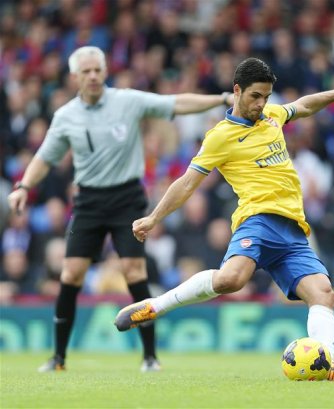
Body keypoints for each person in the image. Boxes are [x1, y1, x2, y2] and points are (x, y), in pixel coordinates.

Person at [114, 57, 334, 382]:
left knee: (324, 294)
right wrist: (153, 218)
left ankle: (323, 362)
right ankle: (155, 307)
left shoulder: (272, 115)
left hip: (293, 230)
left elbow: (303, 106)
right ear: (237, 90)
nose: (262, 104)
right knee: (230, 280)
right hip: (258, 220)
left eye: (266, 97)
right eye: (255, 97)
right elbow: (187, 182)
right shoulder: (220, 137)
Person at [6, 46, 234, 373]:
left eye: (98, 69)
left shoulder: (127, 100)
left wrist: (223, 98)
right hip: (88, 201)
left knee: (134, 273)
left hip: (127, 198)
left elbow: (177, 103)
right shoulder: (66, 116)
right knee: (71, 274)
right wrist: (24, 186)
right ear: (75, 77)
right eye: (87, 71)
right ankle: (58, 359)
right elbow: (44, 157)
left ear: (105, 71)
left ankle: (150, 357)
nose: (94, 75)